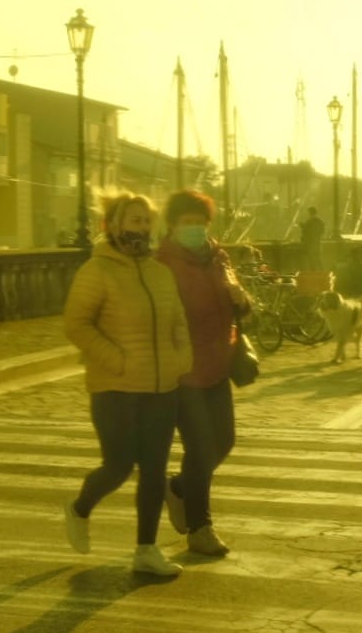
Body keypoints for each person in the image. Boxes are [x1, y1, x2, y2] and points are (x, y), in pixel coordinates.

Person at [62, 194, 193, 577]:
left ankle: (146, 550)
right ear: (113, 225)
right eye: (133, 220)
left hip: (161, 388)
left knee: (154, 471)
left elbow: (178, 321)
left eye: (145, 221)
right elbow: (77, 325)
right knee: (118, 467)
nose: (140, 227)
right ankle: (80, 508)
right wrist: (117, 360)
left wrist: (180, 359)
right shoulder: (96, 271)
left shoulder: (159, 272)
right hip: (114, 389)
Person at [155, 190, 248, 558]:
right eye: (187, 222)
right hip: (183, 370)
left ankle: (178, 489)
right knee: (201, 447)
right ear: (173, 226)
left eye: (199, 222)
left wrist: (243, 299)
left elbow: (237, 306)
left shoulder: (218, 257)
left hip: (217, 363)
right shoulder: (162, 262)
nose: (194, 229)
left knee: (224, 440)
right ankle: (200, 527)